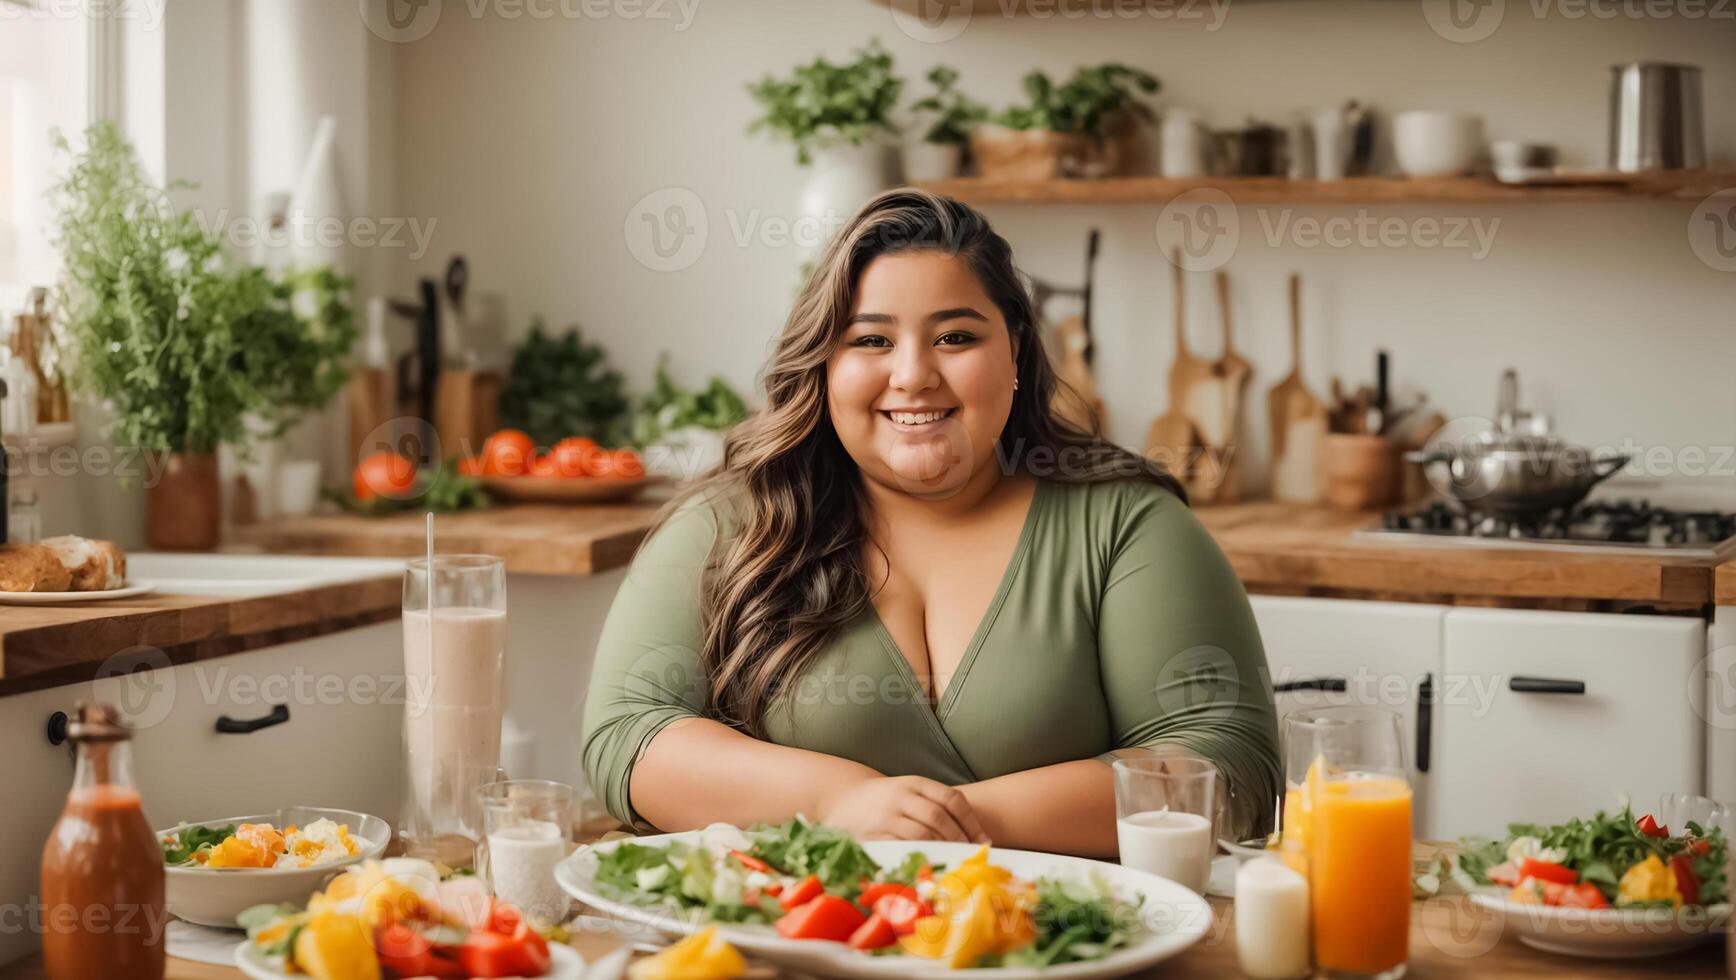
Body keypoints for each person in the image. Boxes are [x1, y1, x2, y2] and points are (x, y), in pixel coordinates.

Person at [582, 189, 1279, 857]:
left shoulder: (1127, 526)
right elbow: (628, 735)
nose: (913, 375)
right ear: (824, 363)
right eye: (871, 340)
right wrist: (836, 805)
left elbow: (1225, 765)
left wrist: (951, 825)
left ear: (1015, 353)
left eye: (953, 336)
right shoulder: (727, 523)